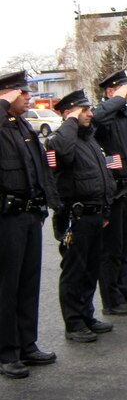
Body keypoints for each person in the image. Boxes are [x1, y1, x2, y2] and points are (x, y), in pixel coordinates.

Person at [0, 71, 60, 379]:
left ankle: (26, 343)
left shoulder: (22, 125)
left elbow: (38, 168)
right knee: (6, 286)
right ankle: (6, 351)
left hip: (29, 214)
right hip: (6, 219)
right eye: (23, 93)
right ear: (8, 94)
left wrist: (46, 205)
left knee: (28, 283)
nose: (29, 98)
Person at [47, 90, 115, 343]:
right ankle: (74, 324)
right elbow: (62, 153)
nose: (89, 114)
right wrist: (71, 121)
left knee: (90, 269)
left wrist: (106, 209)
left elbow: (103, 176)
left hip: (95, 214)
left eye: (88, 110)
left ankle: (86, 315)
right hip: (76, 216)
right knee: (74, 271)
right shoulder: (59, 140)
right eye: (83, 111)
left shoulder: (89, 140)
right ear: (68, 113)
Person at [92, 69, 127, 315]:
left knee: (124, 246)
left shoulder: (124, 116)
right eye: (124, 89)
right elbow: (95, 120)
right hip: (112, 192)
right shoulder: (105, 114)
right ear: (110, 91)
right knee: (111, 250)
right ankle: (112, 300)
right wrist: (117, 100)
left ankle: (124, 291)